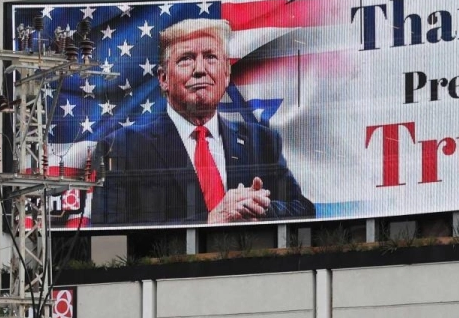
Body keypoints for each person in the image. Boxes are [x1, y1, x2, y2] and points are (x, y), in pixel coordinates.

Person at [94, 18, 313, 225]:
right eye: (186, 59)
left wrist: (257, 208)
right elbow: (110, 237)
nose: (200, 69)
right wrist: (210, 221)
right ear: (163, 79)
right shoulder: (121, 147)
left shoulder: (263, 141)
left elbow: (304, 211)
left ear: (226, 74)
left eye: (210, 57)